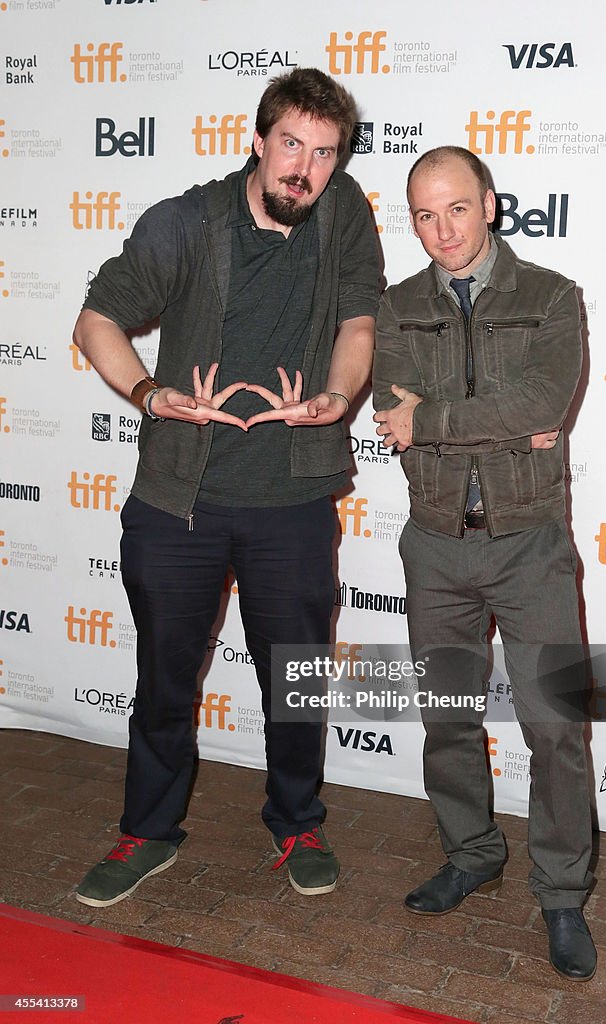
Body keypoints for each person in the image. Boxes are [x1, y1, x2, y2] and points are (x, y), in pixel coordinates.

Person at [73, 68, 380, 907]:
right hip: (180, 503)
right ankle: (148, 832)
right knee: (165, 678)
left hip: (291, 498)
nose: (305, 171)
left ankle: (296, 823)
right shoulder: (184, 222)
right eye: (291, 146)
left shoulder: (343, 211)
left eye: (324, 154)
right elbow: (96, 320)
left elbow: (359, 319)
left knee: (295, 676)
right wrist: (149, 394)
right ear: (257, 139)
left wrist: (338, 399)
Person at [372, 146, 596, 981]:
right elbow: (391, 409)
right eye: (424, 215)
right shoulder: (393, 308)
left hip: (529, 543)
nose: (441, 232)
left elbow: (544, 402)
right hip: (433, 542)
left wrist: (431, 419)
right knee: (447, 717)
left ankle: (563, 892)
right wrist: (485, 421)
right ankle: (471, 852)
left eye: (456, 209)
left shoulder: (549, 296)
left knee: (555, 728)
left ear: (490, 205)